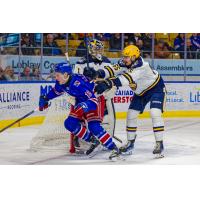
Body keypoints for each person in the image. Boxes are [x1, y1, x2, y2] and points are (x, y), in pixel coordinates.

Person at [95, 45, 166, 158]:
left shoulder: (142, 66)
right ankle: (130, 143)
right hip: (140, 91)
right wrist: (98, 73)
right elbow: (112, 69)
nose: (124, 59)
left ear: (134, 57)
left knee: (155, 113)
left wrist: (108, 83)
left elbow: (125, 79)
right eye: (124, 57)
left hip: (155, 89)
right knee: (131, 114)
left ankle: (159, 144)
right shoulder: (126, 62)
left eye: (127, 57)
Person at [38, 62, 120, 160]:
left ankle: (113, 148)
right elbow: (56, 91)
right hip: (80, 101)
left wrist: (85, 105)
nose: (56, 77)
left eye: (57, 75)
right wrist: (45, 98)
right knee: (69, 124)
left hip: (95, 100)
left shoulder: (78, 84)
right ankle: (93, 140)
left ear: (65, 74)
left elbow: (93, 100)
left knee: (94, 126)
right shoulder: (61, 82)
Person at [74, 39, 117, 149]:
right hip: (86, 94)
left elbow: (112, 77)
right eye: (96, 48)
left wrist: (108, 89)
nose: (99, 51)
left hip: (102, 93)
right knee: (81, 116)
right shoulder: (82, 62)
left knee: (106, 116)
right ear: (90, 49)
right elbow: (76, 80)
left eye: (100, 48)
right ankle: (78, 137)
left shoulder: (107, 61)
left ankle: (106, 136)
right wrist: (85, 76)